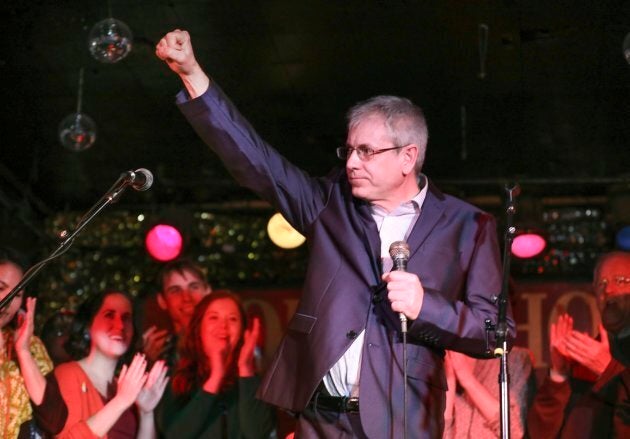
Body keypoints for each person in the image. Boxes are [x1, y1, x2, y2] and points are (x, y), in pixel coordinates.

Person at [156, 29, 514, 438]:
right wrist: (192, 74)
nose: (352, 163)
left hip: (402, 420)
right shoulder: (331, 204)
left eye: (368, 151)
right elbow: (256, 161)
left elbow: (496, 334)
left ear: (407, 157)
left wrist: (425, 307)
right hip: (320, 419)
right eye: (349, 150)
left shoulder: (469, 226)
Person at [18, 290, 169, 438]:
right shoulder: (70, 374)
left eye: (126, 318)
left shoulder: (127, 387)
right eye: (109, 315)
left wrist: (146, 413)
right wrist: (120, 401)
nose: (120, 325)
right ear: (89, 325)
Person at [527, 251, 630, 438]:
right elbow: (538, 434)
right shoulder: (584, 360)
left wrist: (609, 370)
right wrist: (559, 375)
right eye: (602, 284)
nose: (608, 290)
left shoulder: (602, 361)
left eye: (621, 280)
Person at [157, 290, 275, 438]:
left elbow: (257, 434)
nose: (223, 326)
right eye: (214, 318)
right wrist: (215, 378)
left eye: (232, 319)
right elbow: (174, 436)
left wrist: (246, 369)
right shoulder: (176, 379)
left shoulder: (253, 384)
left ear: (242, 330)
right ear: (198, 327)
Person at [0, 247, 55, 438]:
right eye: (0, 288)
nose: (7, 302)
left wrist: (23, 352)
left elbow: (54, 420)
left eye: (17, 295)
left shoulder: (32, 346)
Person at [443, 347, 535, 438]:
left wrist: (467, 379)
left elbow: (514, 431)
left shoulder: (507, 361)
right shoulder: (436, 364)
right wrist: (449, 381)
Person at [142, 258, 212, 366]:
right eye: (175, 290)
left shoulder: (227, 343)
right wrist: (149, 364)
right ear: (162, 301)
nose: (186, 298)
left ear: (208, 292)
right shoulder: (160, 354)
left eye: (194, 287)